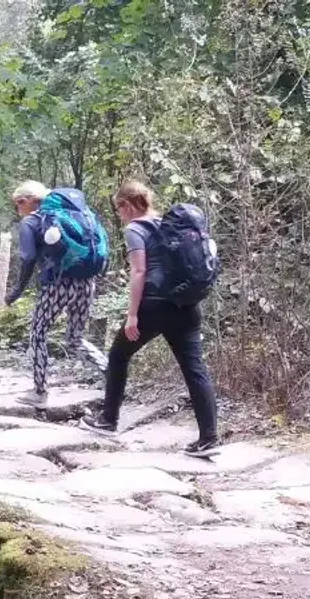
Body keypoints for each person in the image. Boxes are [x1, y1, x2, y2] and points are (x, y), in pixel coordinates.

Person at [80, 180, 220, 455]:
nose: (118, 214)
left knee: (118, 355)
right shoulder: (167, 224)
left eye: (119, 208)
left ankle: (108, 419)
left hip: (154, 306)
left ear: (129, 205)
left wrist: (132, 315)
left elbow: (139, 272)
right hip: (187, 304)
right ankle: (209, 438)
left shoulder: (135, 229)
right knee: (195, 369)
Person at [5, 181, 106, 408]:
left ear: (28, 200)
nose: (18, 209)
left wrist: (17, 290)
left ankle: (40, 392)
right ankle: (113, 375)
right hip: (87, 282)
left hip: (57, 285)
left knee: (38, 334)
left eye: (18, 203)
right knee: (75, 339)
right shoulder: (77, 215)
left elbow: (28, 258)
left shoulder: (31, 222)